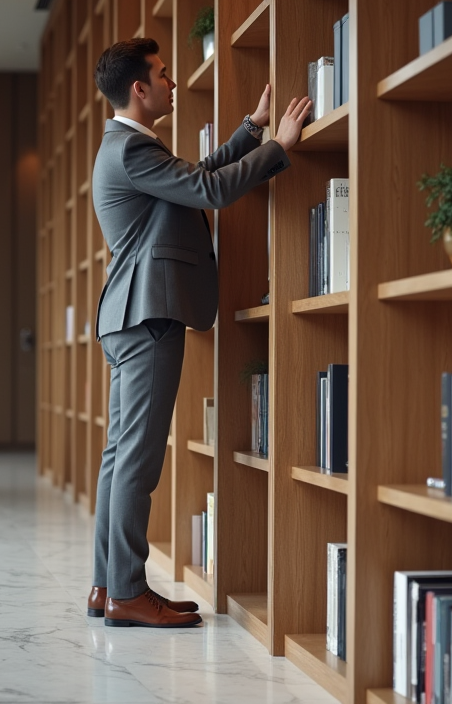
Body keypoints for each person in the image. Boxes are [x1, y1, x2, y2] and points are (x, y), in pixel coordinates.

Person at [87, 37, 311, 628]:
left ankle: (107, 585)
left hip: (132, 317)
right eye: (162, 74)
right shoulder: (131, 150)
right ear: (139, 88)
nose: (172, 82)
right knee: (135, 458)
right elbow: (210, 191)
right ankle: (128, 593)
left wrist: (250, 130)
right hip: (147, 317)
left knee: (120, 456)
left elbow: (195, 177)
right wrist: (279, 149)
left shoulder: (131, 147)